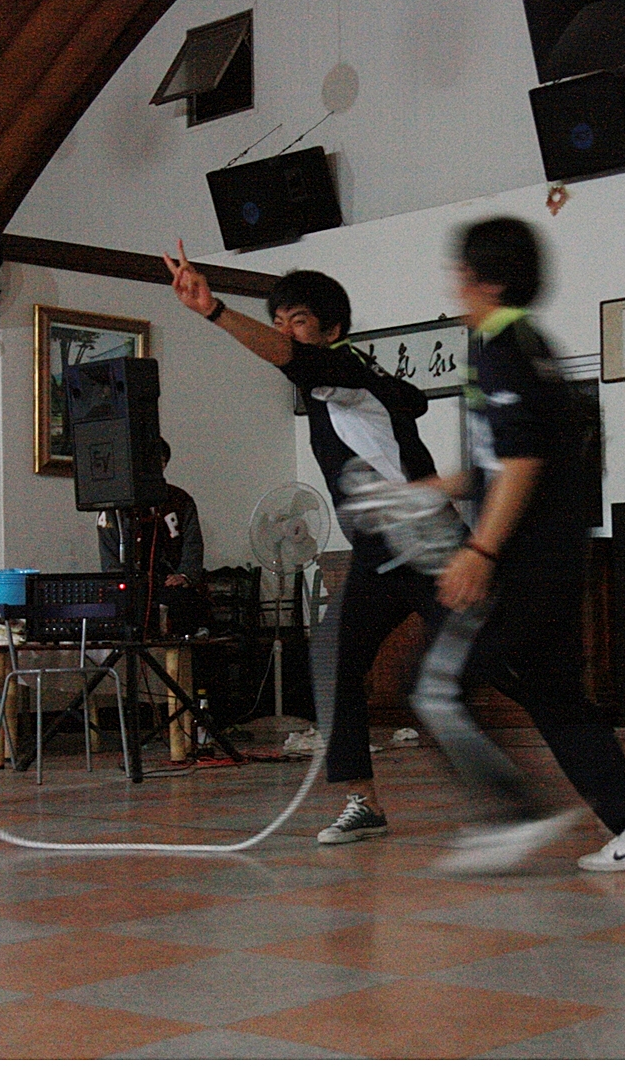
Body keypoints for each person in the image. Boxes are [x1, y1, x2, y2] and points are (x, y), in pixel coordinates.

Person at [416, 216, 625, 874]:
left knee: (430, 687)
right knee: (557, 699)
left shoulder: (501, 345)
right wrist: (430, 488)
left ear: (487, 280)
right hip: (558, 563)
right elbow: (505, 462)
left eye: (461, 271)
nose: (454, 283)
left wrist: (480, 552)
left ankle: (512, 814)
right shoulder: (531, 346)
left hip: (521, 567)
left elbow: (521, 462)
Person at [163, 242, 444, 845]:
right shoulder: (344, 380)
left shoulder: (342, 372)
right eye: (278, 321)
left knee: (499, 660)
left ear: (332, 331)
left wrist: (213, 311)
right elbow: (407, 400)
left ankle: (590, 745)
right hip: (377, 556)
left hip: (428, 544)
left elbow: (293, 359)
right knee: (333, 658)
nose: (283, 334)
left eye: (297, 321)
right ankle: (362, 802)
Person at [97, 437, 209, 638]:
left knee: (185, 605)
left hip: (169, 583)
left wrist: (184, 576)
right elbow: (109, 553)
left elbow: (193, 543)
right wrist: (125, 578)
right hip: (130, 586)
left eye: (159, 461)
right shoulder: (113, 505)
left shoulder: (180, 500)